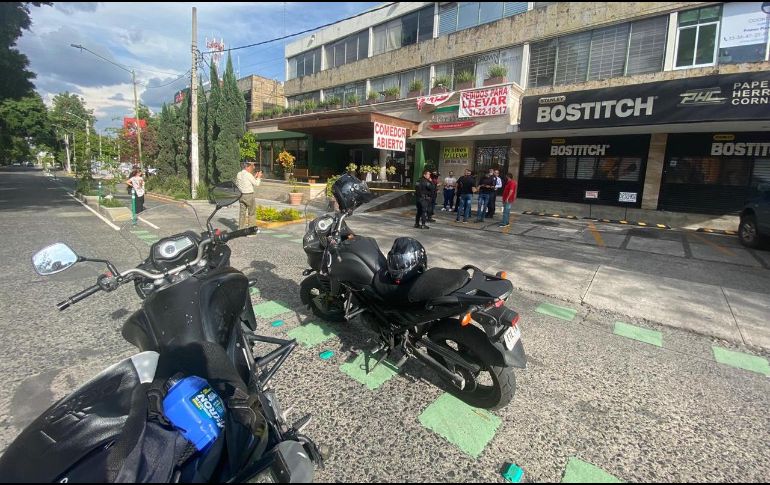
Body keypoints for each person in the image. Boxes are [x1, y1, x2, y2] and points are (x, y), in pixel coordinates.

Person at [235, 160, 263, 230]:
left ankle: (241, 229)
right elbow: (256, 183)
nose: (253, 168)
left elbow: (244, 182)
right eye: (252, 166)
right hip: (249, 195)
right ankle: (251, 231)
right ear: (247, 166)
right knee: (251, 213)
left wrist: (254, 176)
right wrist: (259, 177)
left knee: (242, 213)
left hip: (241, 195)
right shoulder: (248, 174)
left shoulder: (239, 174)